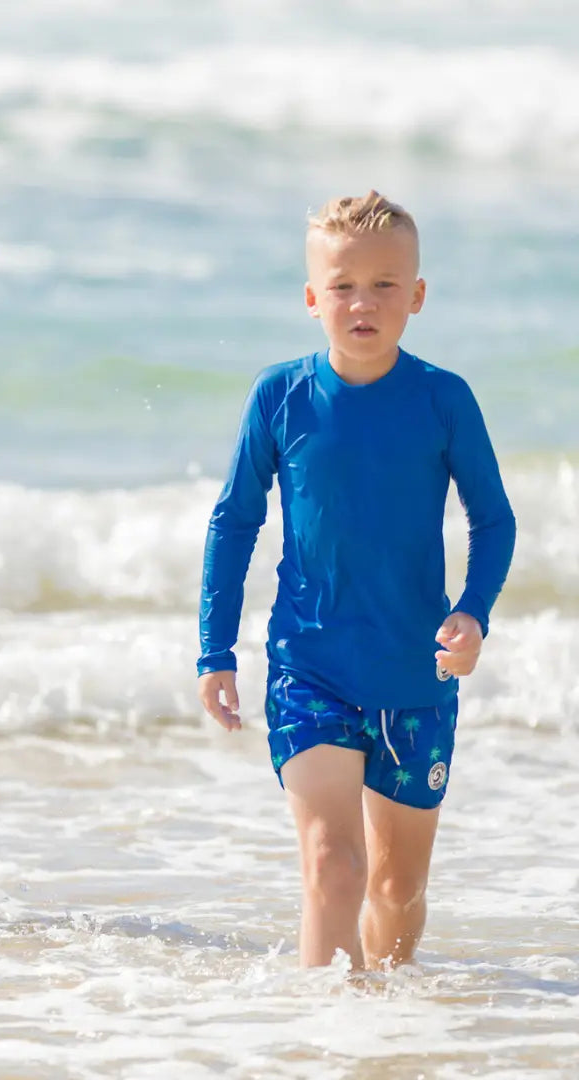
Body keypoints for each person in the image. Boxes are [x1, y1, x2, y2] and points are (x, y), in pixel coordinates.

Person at [196, 192, 515, 971]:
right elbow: (234, 521)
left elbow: (493, 521)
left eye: (384, 284)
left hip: (416, 673)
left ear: (417, 296)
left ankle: (385, 1034)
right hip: (311, 667)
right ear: (312, 299)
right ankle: (323, 1036)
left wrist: (473, 613)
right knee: (333, 867)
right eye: (342, 285)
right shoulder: (282, 396)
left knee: (397, 891)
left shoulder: (444, 399)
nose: (362, 302)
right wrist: (215, 650)